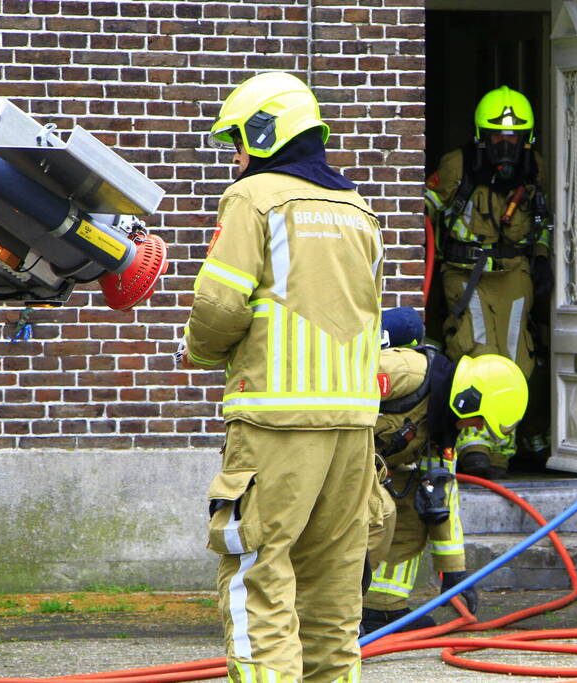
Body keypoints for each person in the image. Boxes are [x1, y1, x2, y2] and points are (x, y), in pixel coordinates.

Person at [184, 71, 384, 683]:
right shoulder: (358, 209)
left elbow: (219, 305)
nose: (236, 158)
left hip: (276, 423)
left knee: (259, 575)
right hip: (353, 428)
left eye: (239, 141)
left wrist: (200, 351)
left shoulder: (254, 198)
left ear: (268, 132)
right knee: (334, 590)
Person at [424, 85, 553, 480]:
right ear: (482, 135)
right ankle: (472, 444)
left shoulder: (536, 169)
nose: (505, 144)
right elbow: (424, 215)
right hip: (466, 273)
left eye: (514, 136)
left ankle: (503, 450)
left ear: (527, 138)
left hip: (515, 274)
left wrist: (544, 259)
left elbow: (543, 219)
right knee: (477, 351)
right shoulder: (456, 167)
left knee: (516, 357)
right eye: (497, 135)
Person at [363, 342, 528, 634]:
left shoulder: (442, 428)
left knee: (414, 513)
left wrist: (454, 571)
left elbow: (440, 498)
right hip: (333, 460)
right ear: (470, 399)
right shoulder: (406, 374)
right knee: (379, 514)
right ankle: (332, 611)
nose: (476, 430)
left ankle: (382, 608)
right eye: (480, 421)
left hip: (371, 468)